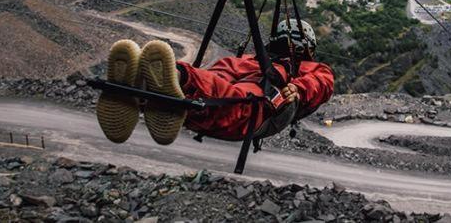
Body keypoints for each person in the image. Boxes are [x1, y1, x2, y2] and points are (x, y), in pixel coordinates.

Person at [96, 19, 334, 145]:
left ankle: (176, 78)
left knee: (235, 93)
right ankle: (158, 87)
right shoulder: (249, 61)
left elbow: (322, 82)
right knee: (218, 76)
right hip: (247, 83)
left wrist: (298, 88)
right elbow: (218, 74)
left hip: (264, 101)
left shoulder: (306, 70)